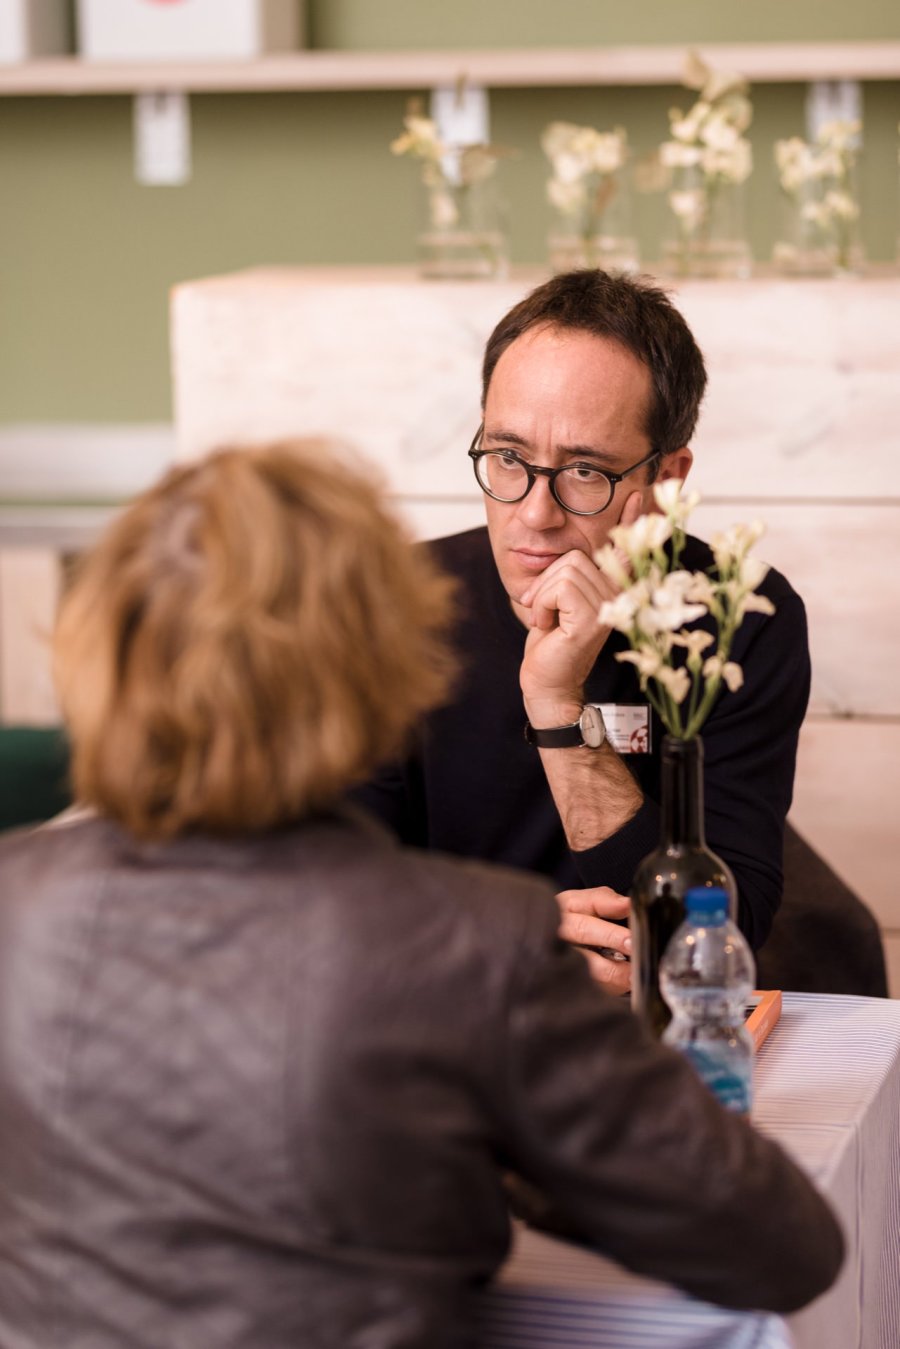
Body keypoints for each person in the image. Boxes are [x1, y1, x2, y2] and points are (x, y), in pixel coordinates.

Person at [0, 441, 841, 1348]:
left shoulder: (16, 900)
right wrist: (511, 1150)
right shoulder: (476, 947)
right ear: (388, 663)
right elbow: (784, 1246)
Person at [355, 269, 810, 994]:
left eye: (585, 472)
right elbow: (328, 897)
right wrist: (508, 939)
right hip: (444, 1018)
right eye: (507, 457)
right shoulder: (388, 606)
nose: (535, 514)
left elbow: (720, 933)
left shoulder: (736, 615)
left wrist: (558, 706)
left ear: (665, 482)